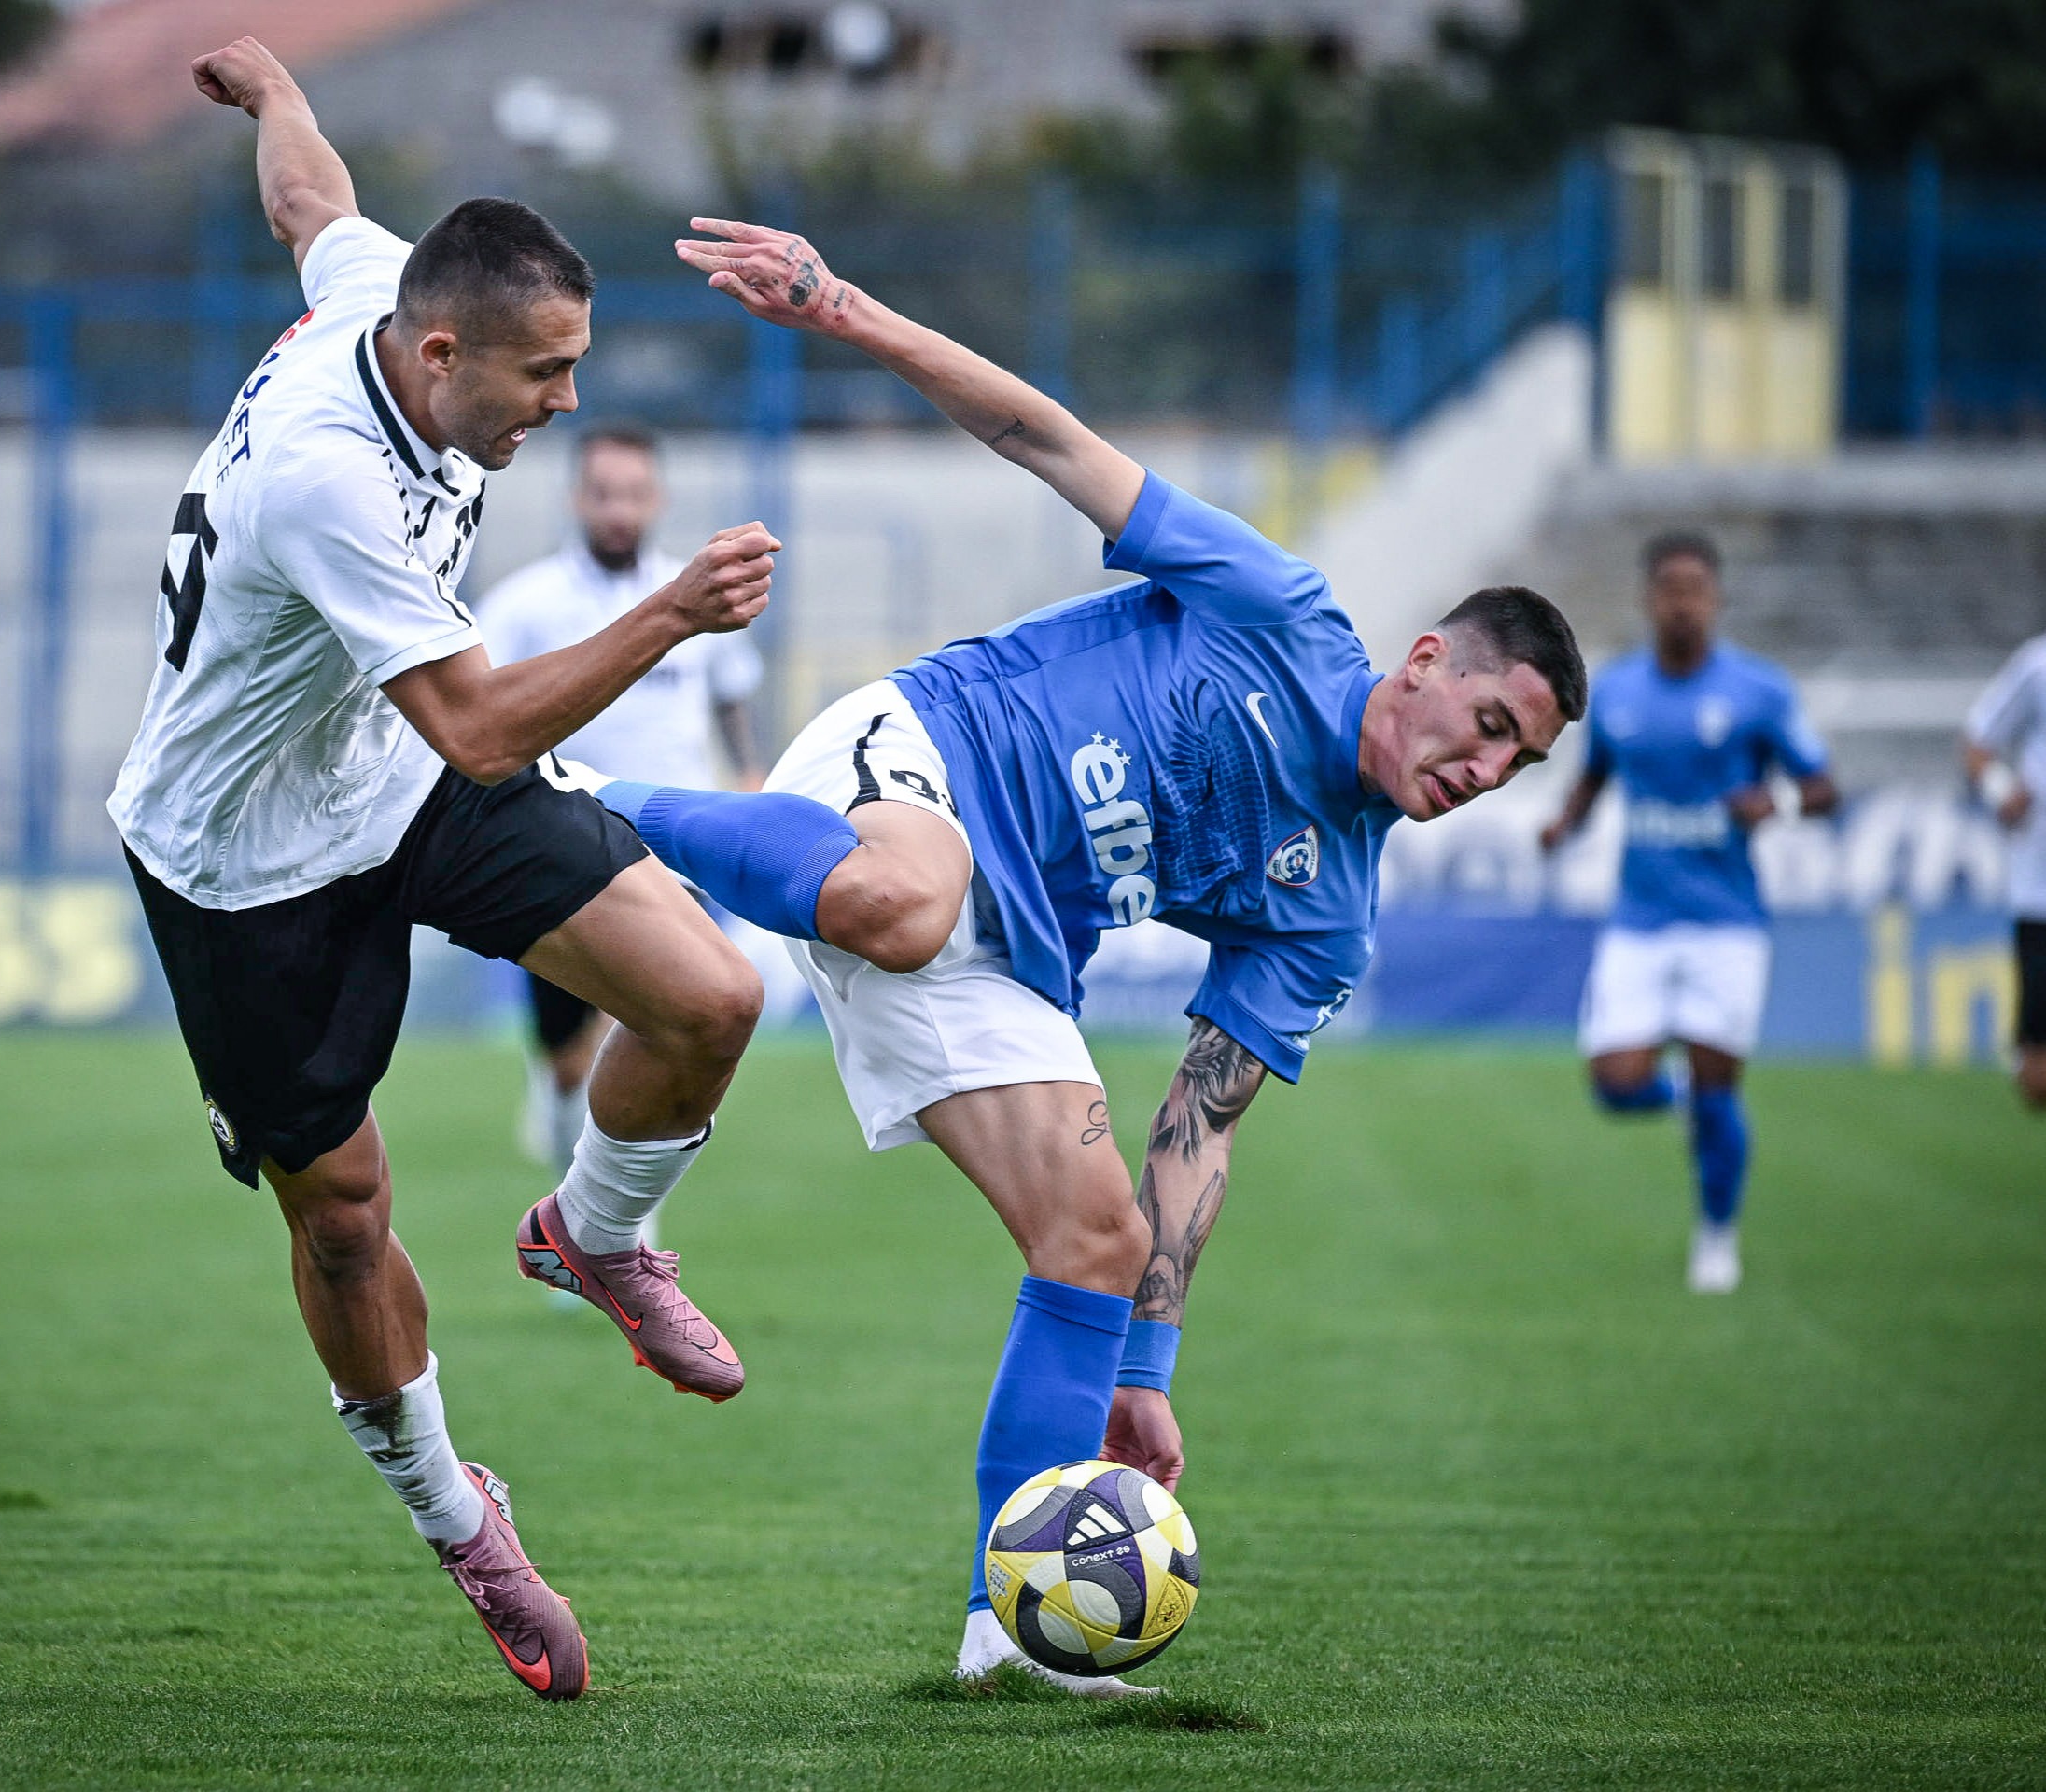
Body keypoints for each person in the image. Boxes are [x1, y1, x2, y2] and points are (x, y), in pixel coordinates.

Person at [568, 217, 1586, 1694]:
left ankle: (1008, 1639)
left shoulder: (1331, 908)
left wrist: (1145, 1370)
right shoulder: (1285, 616)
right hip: (909, 761)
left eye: (1519, 764)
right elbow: (1047, 439)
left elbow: (1199, 1122)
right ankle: (574, 800)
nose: (1487, 769)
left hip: (1008, 955)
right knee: (910, 899)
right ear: (1424, 661)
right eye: (1490, 725)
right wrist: (846, 309)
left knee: (1095, 1240)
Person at [105, 40, 778, 1701]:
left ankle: (595, 1238)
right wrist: (668, 614)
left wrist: (274, 96)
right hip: (242, 859)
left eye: (575, 366)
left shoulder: (385, 298)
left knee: (709, 994)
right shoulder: (331, 478)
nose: (563, 404)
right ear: (438, 350)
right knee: (341, 1218)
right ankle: (455, 1517)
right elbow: (480, 727)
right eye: (542, 375)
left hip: (387, 773)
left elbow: (313, 205)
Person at [1539, 531, 1839, 1295]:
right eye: (1668, 586)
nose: (1681, 601)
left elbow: (1822, 787)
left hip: (1726, 920)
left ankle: (1716, 1236)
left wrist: (1771, 801)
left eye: (1695, 587)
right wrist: (1563, 824)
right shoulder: (1615, 691)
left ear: (1715, 598)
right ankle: (1673, 1100)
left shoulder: (1758, 691)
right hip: (1639, 917)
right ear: (1647, 597)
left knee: (1719, 1085)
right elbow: (1594, 776)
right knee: (1613, 1081)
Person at [471, 426, 764, 1178]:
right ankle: (557, 1094)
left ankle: (622, 1215)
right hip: (560, 846)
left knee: (661, 1026)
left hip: (672, 846)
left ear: (656, 499)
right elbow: (477, 706)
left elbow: (730, 695)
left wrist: (748, 773)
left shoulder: (693, 595)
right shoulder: (527, 605)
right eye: (603, 493)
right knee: (571, 1058)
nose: (618, 510)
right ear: (578, 498)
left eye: (633, 494)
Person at [1962, 633, 2046, 1109]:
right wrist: (2001, 791)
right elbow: (1978, 739)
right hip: (2040, 893)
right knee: (2036, 1081)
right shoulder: (2038, 665)